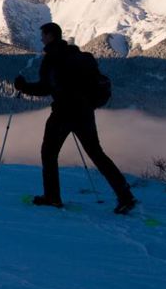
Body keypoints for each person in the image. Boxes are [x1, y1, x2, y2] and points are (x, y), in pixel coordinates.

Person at [14, 22, 138, 214]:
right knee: (97, 154)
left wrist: (23, 86)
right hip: (85, 112)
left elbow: (45, 88)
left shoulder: (52, 58)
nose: (41, 39)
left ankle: (52, 197)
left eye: (43, 35)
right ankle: (125, 195)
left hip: (63, 112)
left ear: (51, 36)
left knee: (49, 153)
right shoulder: (76, 55)